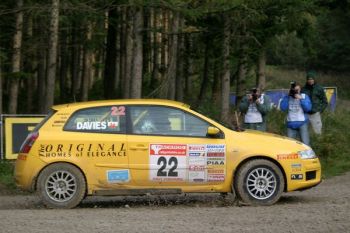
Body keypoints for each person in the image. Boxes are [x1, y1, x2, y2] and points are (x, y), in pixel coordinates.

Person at [301, 70, 328, 135]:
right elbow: (300, 101)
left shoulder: (319, 88)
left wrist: (320, 110)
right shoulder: (303, 89)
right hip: (305, 115)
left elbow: (325, 101)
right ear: (307, 80)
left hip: (315, 114)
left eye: (312, 79)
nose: (310, 80)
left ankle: (318, 144)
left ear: (314, 79)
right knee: (305, 133)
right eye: (309, 79)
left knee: (317, 133)